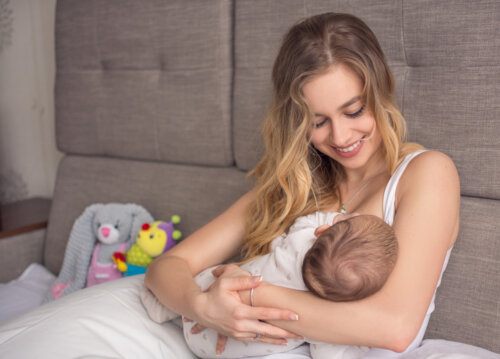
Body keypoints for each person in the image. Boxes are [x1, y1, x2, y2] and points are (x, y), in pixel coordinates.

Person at [145, 12, 459, 358]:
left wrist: (251, 296)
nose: (340, 137)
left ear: (381, 88)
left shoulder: (426, 173)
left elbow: (395, 328)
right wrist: (203, 306)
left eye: (354, 111)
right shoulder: (296, 186)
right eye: (318, 122)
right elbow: (166, 268)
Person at [141, 212, 397, 358]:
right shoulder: (324, 320)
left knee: (219, 276)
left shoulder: (299, 241)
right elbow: (329, 354)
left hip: (204, 302)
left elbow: (305, 223)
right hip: (217, 350)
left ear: (321, 232)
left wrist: (336, 217)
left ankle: (164, 310)